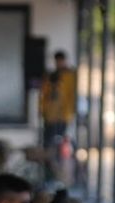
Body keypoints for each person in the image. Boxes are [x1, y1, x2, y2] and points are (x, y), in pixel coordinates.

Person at [39, 51, 76, 184]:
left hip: (63, 116)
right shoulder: (50, 76)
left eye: (61, 60)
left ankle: (61, 174)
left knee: (61, 144)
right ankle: (50, 173)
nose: (59, 63)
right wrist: (42, 110)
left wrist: (70, 112)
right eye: (57, 61)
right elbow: (44, 94)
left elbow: (71, 95)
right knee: (49, 144)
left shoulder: (70, 75)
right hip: (50, 115)